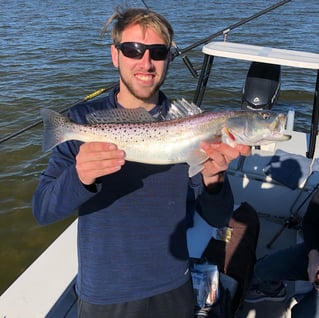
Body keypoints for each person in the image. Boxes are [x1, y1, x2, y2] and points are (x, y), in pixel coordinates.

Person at [32, 7, 250, 318]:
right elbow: (42, 210)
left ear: (168, 60)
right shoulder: (80, 121)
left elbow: (217, 217)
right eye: (133, 50)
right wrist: (79, 177)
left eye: (158, 52)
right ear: (115, 55)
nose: (145, 63)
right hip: (106, 293)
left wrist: (214, 178)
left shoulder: (193, 123)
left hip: (174, 284)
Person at [245, 186, 319, 317]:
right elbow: (310, 220)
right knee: (261, 270)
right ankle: (275, 291)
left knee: (302, 314)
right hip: (315, 252)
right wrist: (313, 254)